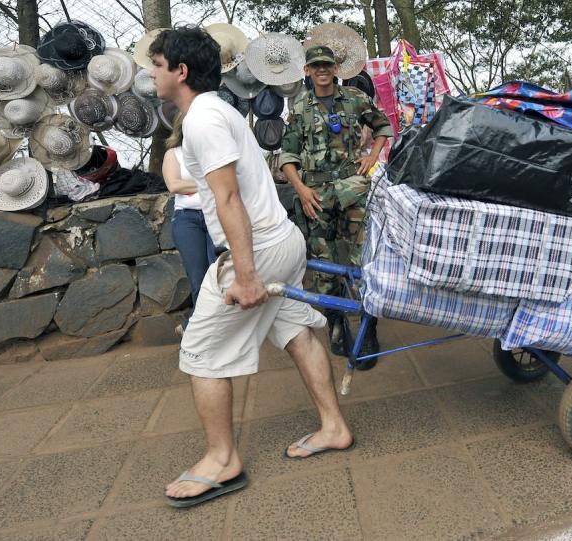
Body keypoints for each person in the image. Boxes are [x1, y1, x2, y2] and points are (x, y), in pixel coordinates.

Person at [148, 27, 353, 508]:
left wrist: (244, 275)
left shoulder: (203, 121)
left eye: (157, 65)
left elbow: (227, 198)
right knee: (297, 331)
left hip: (258, 247)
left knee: (200, 350)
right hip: (279, 238)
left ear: (180, 71)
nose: (151, 73)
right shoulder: (215, 110)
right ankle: (334, 427)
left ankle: (223, 460)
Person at [279, 46, 393, 357]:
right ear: (307, 71)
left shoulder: (355, 98)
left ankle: (369, 328)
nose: (322, 70)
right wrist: (301, 190)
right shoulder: (300, 107)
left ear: (335, 69)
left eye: (326, 65)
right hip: (316, 198)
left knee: (363, 262)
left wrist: (372, 155)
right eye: (316, 66)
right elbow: (287, 157)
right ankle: (337, 325)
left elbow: (383, 126)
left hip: (354, 191)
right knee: (325, 268)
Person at [161, 113, 216, 336]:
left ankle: (195, 325)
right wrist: (206, 183)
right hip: (187, 219)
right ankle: (199, 329)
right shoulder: (173, 154)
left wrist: (191, 185)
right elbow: (174, 185)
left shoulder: (212, 151)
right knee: (198, 278)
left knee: (219, 273)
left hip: (215, 214)